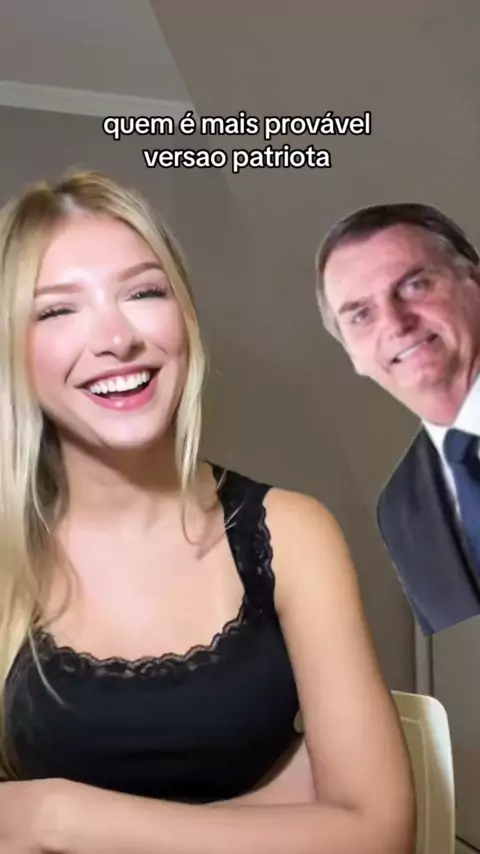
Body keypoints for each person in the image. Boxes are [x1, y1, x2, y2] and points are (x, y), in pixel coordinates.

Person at [0, 169, 414, 854]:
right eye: (57, 310)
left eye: (143, 292)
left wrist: (54, 816)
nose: (116, 338)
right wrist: (281, 809)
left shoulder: (292, 534)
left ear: (184, 316)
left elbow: (378, 836)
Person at [315, 202, 480, 635]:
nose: (395, 323)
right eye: (361, 315)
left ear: (475, 282)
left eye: (414, 286)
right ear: (352, 355)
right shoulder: (399, 509)